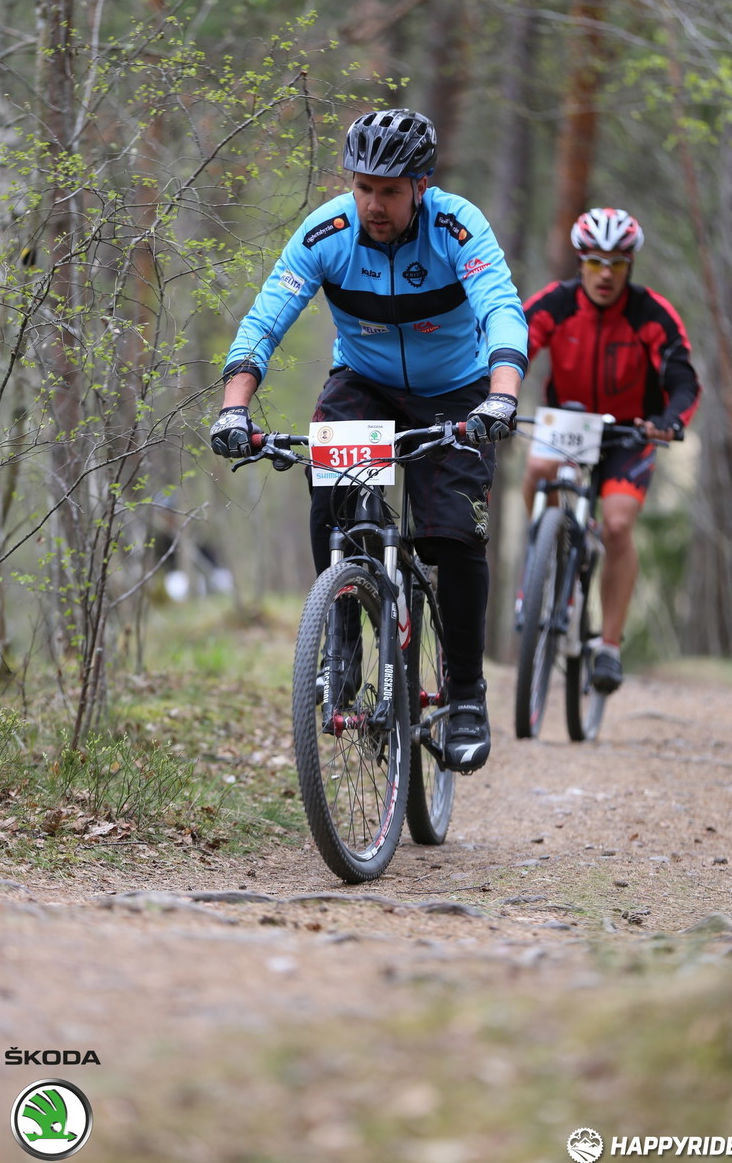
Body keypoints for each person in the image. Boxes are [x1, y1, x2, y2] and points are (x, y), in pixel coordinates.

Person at [210, 109, 528, 773]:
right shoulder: (326, 233)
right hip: (366, 381)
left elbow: (501, 306)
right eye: (362, 188)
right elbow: (265, 319)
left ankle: (466, 692)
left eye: (388, 191)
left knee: (453, 537)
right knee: (330, 491)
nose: (373, 205)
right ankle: (342, 642)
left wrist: (501, 395)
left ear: (420, 186)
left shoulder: (456, 226)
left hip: (460, 389)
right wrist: (234, 411)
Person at [520, 207, 701, 692]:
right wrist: (498, 395)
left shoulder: (651, 313)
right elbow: (515, 346)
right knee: (538, 468)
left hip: (630, 432)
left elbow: (683, 379)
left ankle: (610, 648)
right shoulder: (555, 304)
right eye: (595, 262)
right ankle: (542, 562)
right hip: (569, 421)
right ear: (580, 261)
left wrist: (668, 422)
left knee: (618, 525)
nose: (605, 274)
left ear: (630, 266)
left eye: (617, 264)